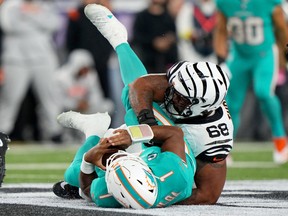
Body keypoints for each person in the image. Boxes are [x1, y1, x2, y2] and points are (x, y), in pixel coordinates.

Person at [53, 3, 233, 205]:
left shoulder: (213, 139)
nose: (170, 93)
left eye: (180, 97)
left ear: (200, 105)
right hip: (165, 149)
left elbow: (208, 195)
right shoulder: (182, 90)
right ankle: (119, 39)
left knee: (74, 176)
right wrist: (142, 126)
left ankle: (93, 132)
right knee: (132, 99)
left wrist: (90, 164)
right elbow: (141, 85)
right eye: (174, 87)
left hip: (154, 161)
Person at [53, 110, 196, 209]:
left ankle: (94, 129)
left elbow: (86, 189)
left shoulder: (106, 194)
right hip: (158, 147)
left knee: (72, 175)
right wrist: (132, 135)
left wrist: (87, 160)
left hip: (145, 159)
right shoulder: (175, 173)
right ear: (147, 172)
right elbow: (175, 134)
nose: (117, 157)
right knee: (133, 96)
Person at [213, 0, 288, 164]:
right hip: (239, 56)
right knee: (231, 103)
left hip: (264, 54)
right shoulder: (225, 3)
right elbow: (220, 30)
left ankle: (280, 139)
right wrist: (221, 57)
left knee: (264, 92)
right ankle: (225, 147)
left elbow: (282, 29)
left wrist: (284, 54)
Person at [0, 0, 63, 142]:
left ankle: (55, 132)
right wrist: (36, 17)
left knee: (50, 96)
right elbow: (9, 26)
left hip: (43, 58)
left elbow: (54, 24)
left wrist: (28, 14)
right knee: (10, 98)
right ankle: (2, 132)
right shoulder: (10, 5)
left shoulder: (45, 5)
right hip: (15, 59)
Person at [65, 0, 113, 99]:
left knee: (104, 94)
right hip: (82, 65)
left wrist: (105, 57)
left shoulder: (102, 13)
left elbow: (108, 37)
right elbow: (70, 41)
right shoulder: (76, 14)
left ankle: (107, 114)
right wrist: (77, 62)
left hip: (101, 62)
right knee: (82, 95)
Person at [55, 49, 114, 114]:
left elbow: (96, 95)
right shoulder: (61, 77)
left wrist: (88, 103)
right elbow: (58, 100)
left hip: (86, 108)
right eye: (83, 68)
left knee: (108, 106)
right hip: (69, 110)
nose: (85, 72)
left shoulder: (90, 75)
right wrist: (75, 104)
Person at [132, 0, 178, 73]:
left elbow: (174, 35)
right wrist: (153, 42)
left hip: (167, 63)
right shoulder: (142, 16)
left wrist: (168, 40)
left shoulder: (168, 16)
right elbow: (137, 37)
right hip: (146, 63)